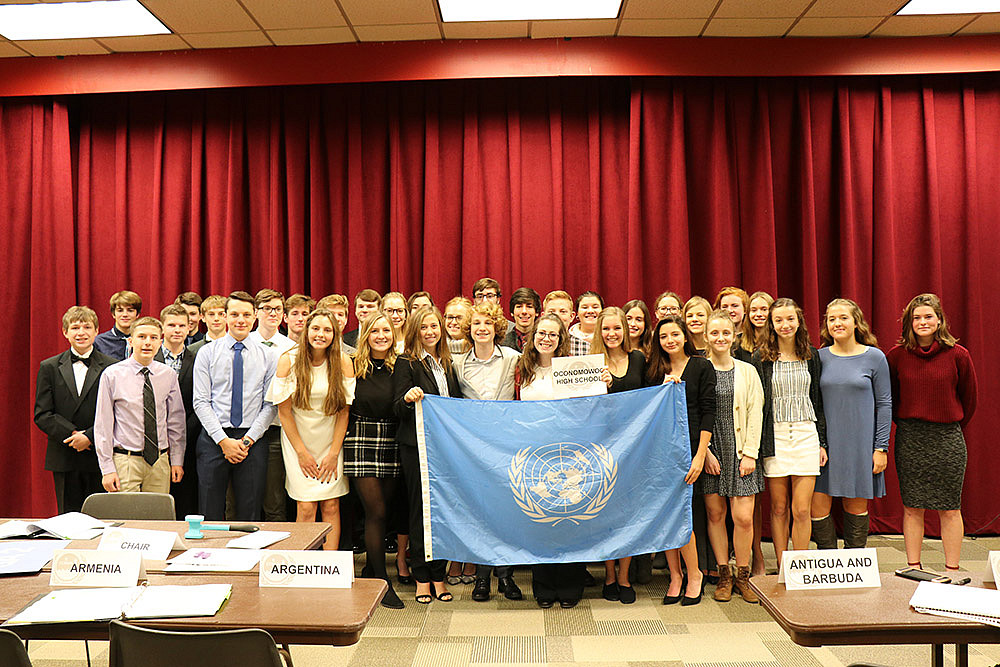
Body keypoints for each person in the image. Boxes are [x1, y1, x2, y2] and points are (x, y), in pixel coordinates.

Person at [887, 294, 977, 572]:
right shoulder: (896, 356)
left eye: (928, 316)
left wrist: (947, 427)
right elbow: (890, 398)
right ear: (908, 323)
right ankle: (914, 567)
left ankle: (952, 570)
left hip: (948, 439)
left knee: (949, 507)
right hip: (910, 439)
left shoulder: (959, 355)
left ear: (939, 320)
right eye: (917, 318)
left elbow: (969, 400)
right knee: (913, 506)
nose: (922, 322)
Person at [515, 314, 588, 609]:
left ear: (561, 340)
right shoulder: (522, 370)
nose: (546, 339)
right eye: (541, 333)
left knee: (570, 519)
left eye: (553, 335)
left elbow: (589, 406)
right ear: (533, 337)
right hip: (534, 456)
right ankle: (543, 585)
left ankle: (571, 582)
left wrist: (604, 382)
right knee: (540, 521)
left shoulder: (573, 369)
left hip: (569, 455)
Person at [453, 301, 523, 602]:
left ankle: (506, 577)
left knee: (506, 512)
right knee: (479, 512)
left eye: (487, 323)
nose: (481, 328)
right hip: (474, 449)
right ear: (469, 329)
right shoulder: (457, 365)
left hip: (507, 446)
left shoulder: (513, 358)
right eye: (476, 324)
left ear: (497, 328)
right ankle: (481, 579)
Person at [267, 309, 354, 549]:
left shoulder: (344, 362)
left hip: (330, 442)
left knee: (331, 505)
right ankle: (303, 565)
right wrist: (302, 453)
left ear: (335, 334)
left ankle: (329, 566)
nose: (320, 334)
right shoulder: (289, 359)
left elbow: (343, 412)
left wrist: (333, 453)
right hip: (298, 442)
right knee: (306, 506)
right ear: (307, 330)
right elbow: (284, 413)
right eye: (316, 328)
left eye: (327, 330)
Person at [810, 299, 892, 550]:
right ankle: (828, 563)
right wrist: (818, 442)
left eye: (843, 317)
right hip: (825, 446)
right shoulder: (818, 357)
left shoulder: (875, 357)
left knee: (855, 506)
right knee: (816, 506)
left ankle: (854, 566)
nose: (837, 323)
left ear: (856, 322)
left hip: (860, 446)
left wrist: (881, 447)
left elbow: (885, 404)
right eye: (832, 318)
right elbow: (811, 402)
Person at [393, 306, 461, 604]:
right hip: (416, 447)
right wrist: (408, 399)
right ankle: (422, 576)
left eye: (435, 326)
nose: (431, 332)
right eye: (424, 327)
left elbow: (456, 403)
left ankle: (439, 574)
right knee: (421, 512)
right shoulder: (406, 362)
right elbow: (396, 405)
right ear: (415, 331)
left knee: (443, 512)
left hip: (444, 448)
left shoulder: (446, 363)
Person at [645, 315, 714, 606]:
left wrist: (701, 455)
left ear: (685, 336)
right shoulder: (654, 369)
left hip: (689, 449)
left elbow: (709, 412)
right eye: (663, 337)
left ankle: (694, 574)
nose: (669, 340)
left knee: (683, 516)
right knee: (664, 516)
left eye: (674, 334)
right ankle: (675, 576)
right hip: (659, 452)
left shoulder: (701, 366)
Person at [192, 291, 278, 521]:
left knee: (250, 513)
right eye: (235, 314)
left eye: (246, 315)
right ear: (226, 316)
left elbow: (270, 405)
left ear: (255, 317)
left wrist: (247, 441)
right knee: (209, 512)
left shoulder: (269, 356)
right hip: (214, 439)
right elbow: (201, 401)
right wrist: (223, 441)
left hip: (252, 441)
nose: (241, 320)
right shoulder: (207, 353)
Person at [753, 298, 826, 568]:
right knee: (779, 508)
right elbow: (758, 404)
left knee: (802, 509)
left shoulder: (812, 354)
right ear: (771, 324)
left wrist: (823, 442)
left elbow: (818, 400)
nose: (785, 325)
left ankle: (801, 567)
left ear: (799, 321)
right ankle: (784, 566)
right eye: (779, 320)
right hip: (776, 437)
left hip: (807, 435)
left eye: (790, 319)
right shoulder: (760, 358)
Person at [702, 311, 763, 603]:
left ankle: (743, 574)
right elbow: (696, 414)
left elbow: (756, 413)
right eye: (714, 333)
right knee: (716, 515)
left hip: (741, 453)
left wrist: (750, 453)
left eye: (726, 333)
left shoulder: (747, 370)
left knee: (743, 518)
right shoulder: (699, 369)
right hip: (711, 453)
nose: (720, 338)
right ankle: (723, 575)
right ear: (706, 337)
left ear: (734, 336)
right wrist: (706, 454)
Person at [344, 312, 404, 609]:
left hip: (392, 438)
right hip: (360, 437)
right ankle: (381, 579)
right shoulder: (353, 366)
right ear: (365, 335)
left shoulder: (402, 365)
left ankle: (370, 568)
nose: (381, 335)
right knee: (375, 511)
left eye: (386, 330)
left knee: (386, 511)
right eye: (375, 331)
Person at [34, 306, 116, 513]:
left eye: (87, 327)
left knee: (101, 518)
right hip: (64, 453)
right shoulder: (49, 367)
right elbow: (42, 413)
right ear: (65, 332)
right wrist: (72, 434)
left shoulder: (113, 366)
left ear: (97, 331)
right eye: (75, 327)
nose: (81, 332)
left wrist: (89, 436)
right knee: (68, 519)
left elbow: (117, 412)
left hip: (99, 453)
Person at [94, 316, 186, 494]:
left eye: (153, 338)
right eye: (142, 337)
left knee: (158, 518)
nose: (147, 343)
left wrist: (176, 460)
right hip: (125, 461)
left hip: (159, 461)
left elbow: (176, 422)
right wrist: (107, 468)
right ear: (130, 341)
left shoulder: (168, 375)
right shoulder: (112, 375)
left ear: (160, 342)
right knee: (125, 519)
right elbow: (103, 425)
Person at [594, 307, 645, 605]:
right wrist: (601, 386)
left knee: (628, 514)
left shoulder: (638, 359)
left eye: (617, 328)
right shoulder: (590, 364)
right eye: (606, 329)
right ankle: (609, 575)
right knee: (605, 515)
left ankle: (623, 576)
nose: (612, 334)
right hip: (601, 449)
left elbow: (651, 396)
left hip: (633, 448)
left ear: (625, 330)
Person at [249, 289, 295, 522]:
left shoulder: (290, 348)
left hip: (277, 429)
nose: (273, 313)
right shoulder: (244, 343)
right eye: (267, 309)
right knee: (243, 497)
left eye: (278, 309)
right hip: (245, 429)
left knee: (274, 498)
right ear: (256, 312)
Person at [156, 304, 201, 518]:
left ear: (189, 327)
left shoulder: (199, 358)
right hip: (153, 443)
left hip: (190, 439)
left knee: (186, 501)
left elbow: (201, 401)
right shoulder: (149, 358)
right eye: (171, 325)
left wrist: (183, 431)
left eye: (182, 325)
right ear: (162, 327)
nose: (177, 330)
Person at [745, 290, 773, 574]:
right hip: (749, 427)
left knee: (772, 500)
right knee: (750, 501)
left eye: (763, 309)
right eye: (753, 309)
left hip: (773, 427)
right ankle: (753, 555)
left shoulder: (783, 344)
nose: (758, 314)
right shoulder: (739, 345)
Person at [94, 290, 142, 360]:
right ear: (113, 314)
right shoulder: (99, 342)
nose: (125, 314)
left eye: (130, 310)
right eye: (120, 310)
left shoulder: (144, 341)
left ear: (137, 314)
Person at [714, 287, 754, 362]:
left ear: (745, 309)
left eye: (735, 306)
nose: (729, 310)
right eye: (725, 307)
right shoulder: (715, 339)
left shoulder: (754, 337)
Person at [503, 287, 541, 352]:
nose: (524, 311)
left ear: (536, 312)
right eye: (519, 307)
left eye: (529, 307)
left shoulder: (544, 341)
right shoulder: (502, 343)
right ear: (512, 312)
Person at [568, 291, 603, 356]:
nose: (590, 311)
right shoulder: (566, 339)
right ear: (577, 313)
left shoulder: (608, 337)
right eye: (585, 307)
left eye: (595, 307)